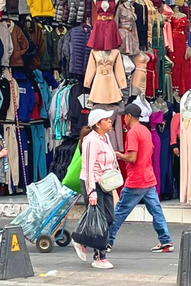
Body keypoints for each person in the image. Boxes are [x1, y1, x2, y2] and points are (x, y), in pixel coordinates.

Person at [107, 103, 174, 253]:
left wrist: (118, 155)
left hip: (136, 179)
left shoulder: (132, 133)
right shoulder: (145, 130)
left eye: (125, 116)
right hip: (148, 177)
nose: (124, 119)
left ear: (130, 116)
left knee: (120, 211)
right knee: (156, 211)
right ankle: (165, 240)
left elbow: (132, 157)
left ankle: (107, 241)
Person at [73, 108, 117, 269]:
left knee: (109, 217)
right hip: (93, 183)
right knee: (100, 220)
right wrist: (91, 191)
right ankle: (99, 256)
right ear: (97, 124)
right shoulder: (91, 141)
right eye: (106, 119)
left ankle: (81, 239)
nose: (110, 121)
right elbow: (89, 167)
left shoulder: (105, 138)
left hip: (105, 183)